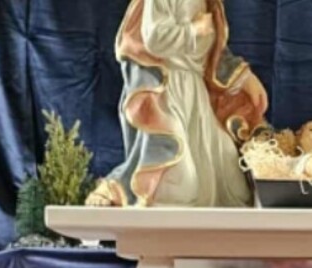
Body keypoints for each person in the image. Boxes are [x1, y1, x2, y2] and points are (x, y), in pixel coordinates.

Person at [87, 0, 269, 208]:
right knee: (179, 184)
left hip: (196, 93)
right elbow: (153, 37)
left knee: (233, 183)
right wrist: (193, 30)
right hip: (166, 93)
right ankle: (114, 191)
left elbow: (214, 52)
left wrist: (246, 79)